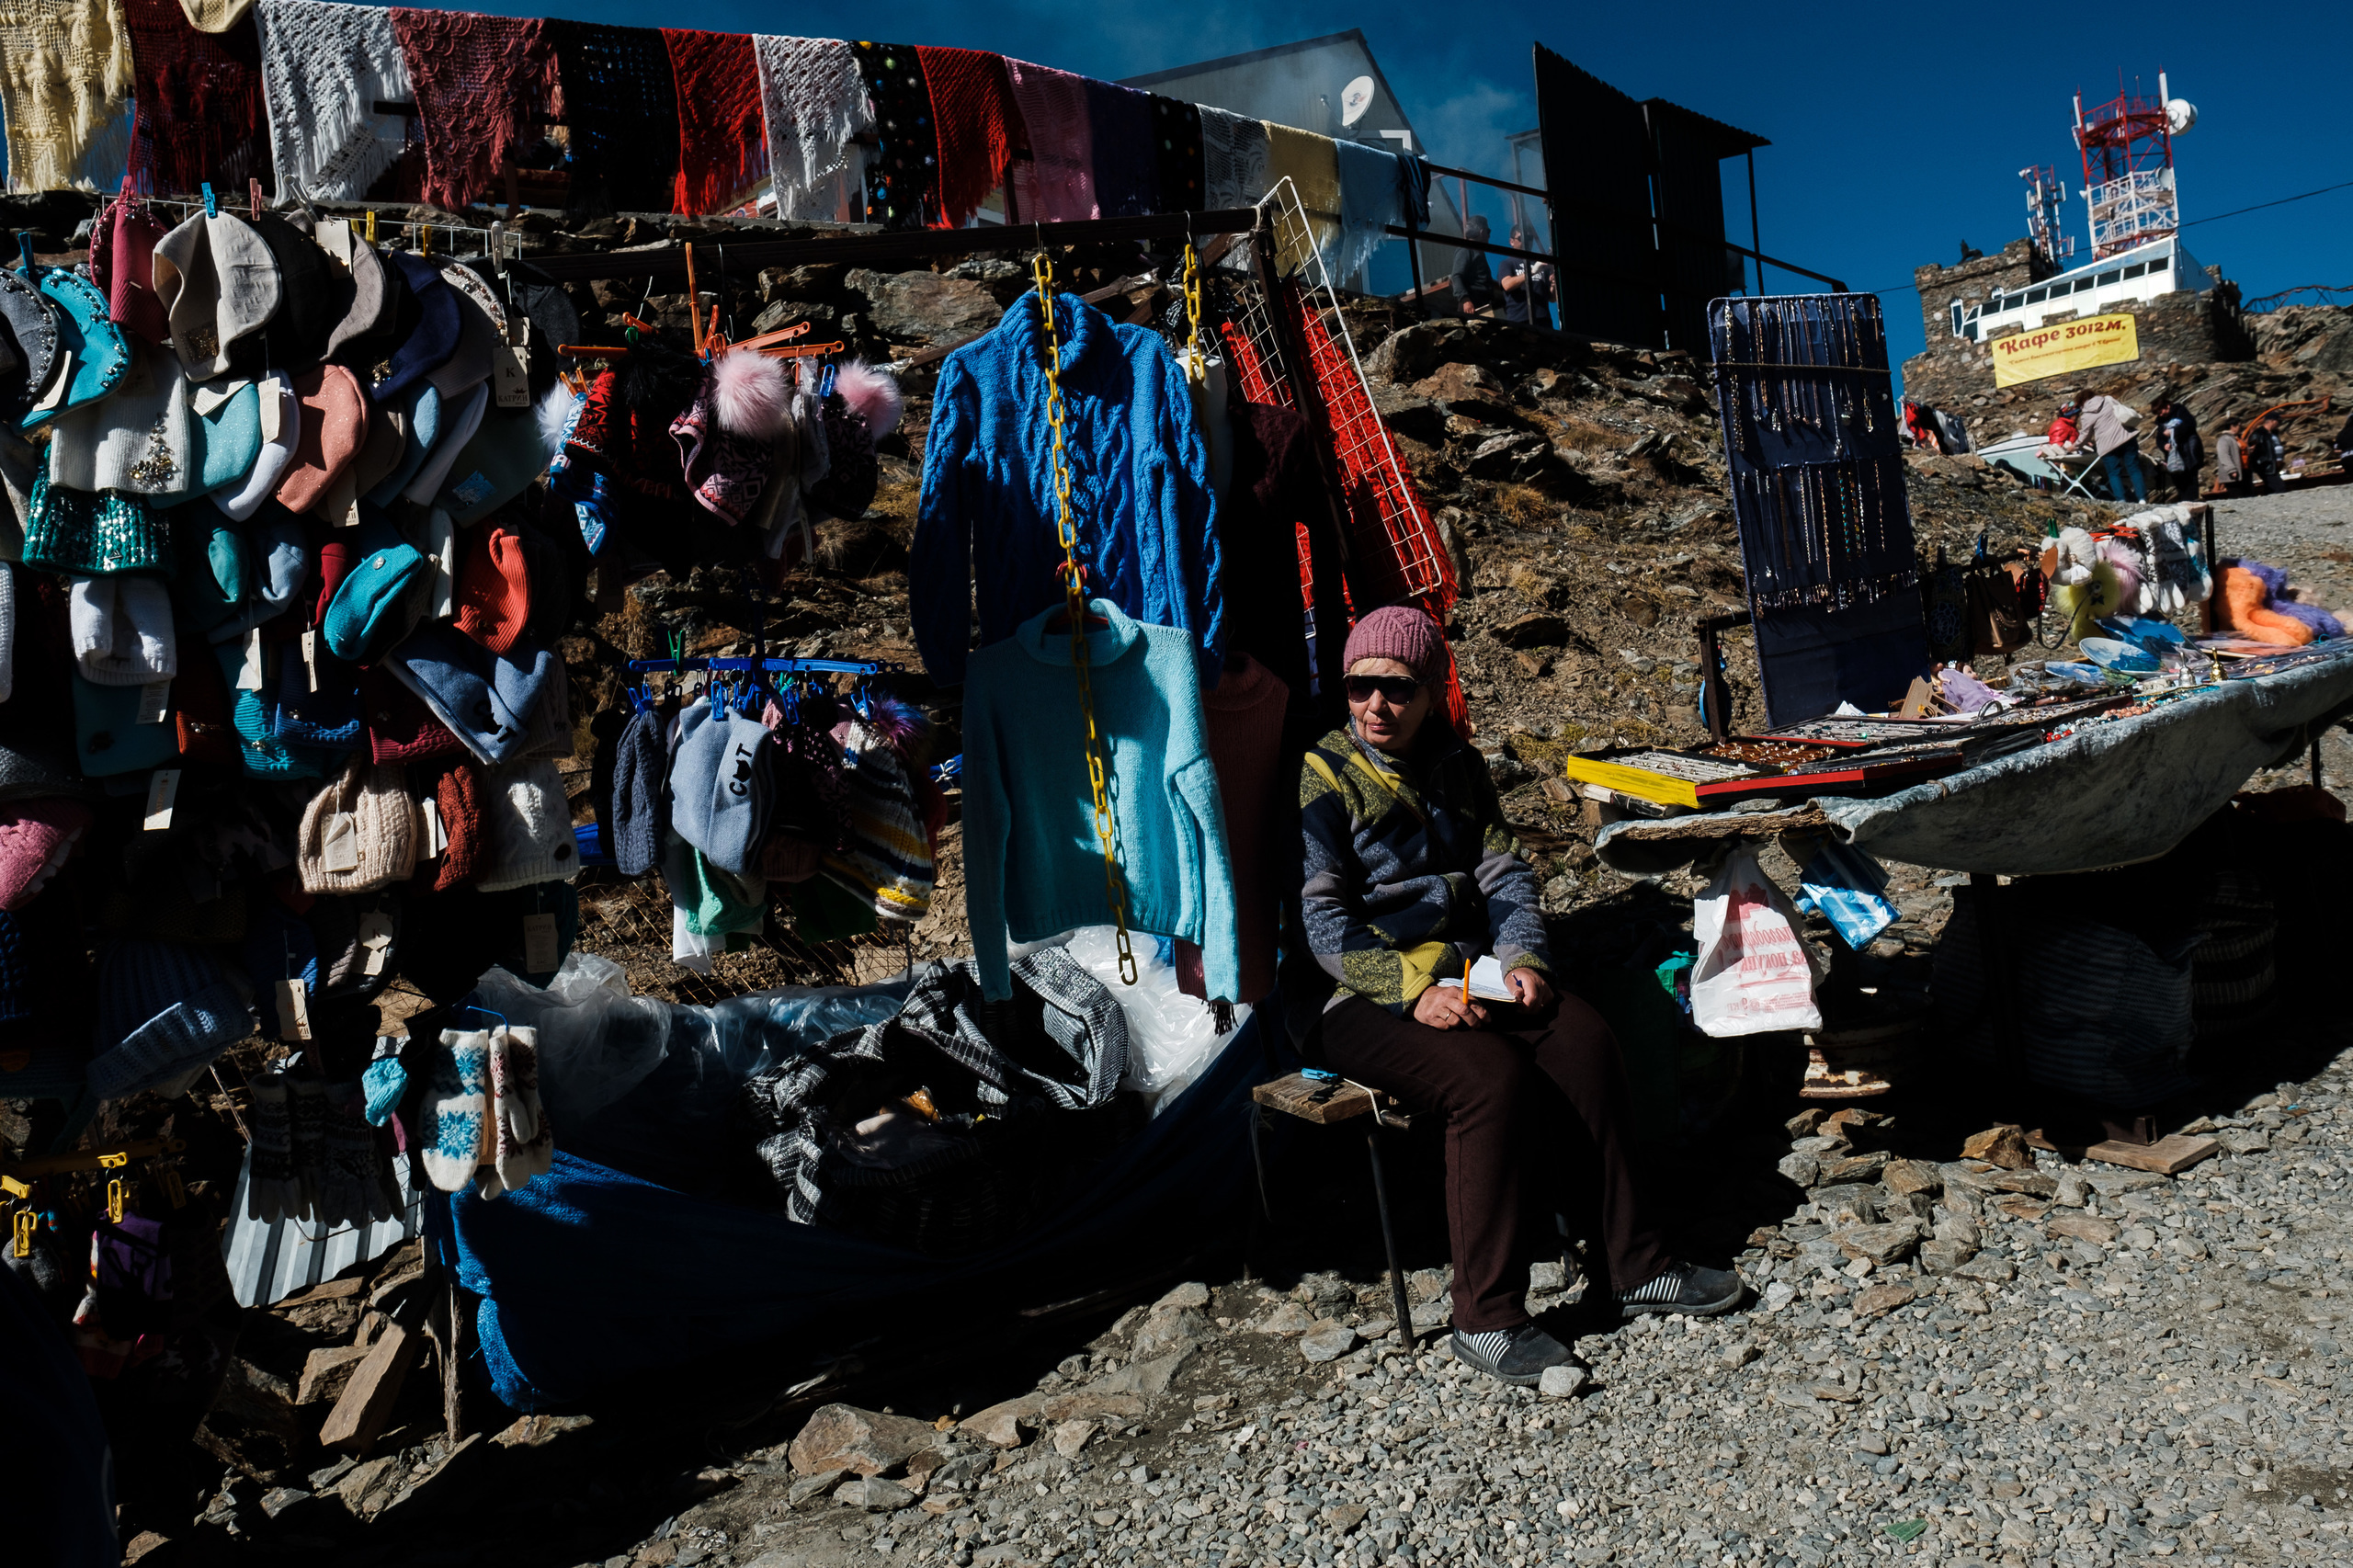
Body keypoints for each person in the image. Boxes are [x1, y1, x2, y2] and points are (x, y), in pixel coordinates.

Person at [1296, 606, 1740, 1388]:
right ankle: (1487, 1315)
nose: (1376, 706)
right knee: (1486, 1082)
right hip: (1362, 995)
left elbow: (1503, 873)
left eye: (1397, 689)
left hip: (1470, 970)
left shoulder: (1458, 766)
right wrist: (1411, 991)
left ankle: (1634, 1264)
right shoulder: (1324, 776)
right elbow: (1323, 921)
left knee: (1582, 1038)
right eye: (1360, 687)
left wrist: (1523, 955)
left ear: (1433, 692)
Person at [2074, 387, 2146, 505]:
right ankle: (2142, 499)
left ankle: (2121, 501)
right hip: (2126, 437)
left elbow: (2085, 435)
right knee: (2134, 469)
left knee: (2113, 473)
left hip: (2107, 446)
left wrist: (2075, 446)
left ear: (2082, 402)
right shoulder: (2108, 400)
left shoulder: (2086, 415)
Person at [1497, 224, 1553, 328]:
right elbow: (1507, 285)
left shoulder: (1540, 264)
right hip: (1519, 320)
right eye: (1521, 238)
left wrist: (1553, 285)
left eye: (1529, 238)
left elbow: (1552, 298)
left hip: (1543, 320)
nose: (1527, 241)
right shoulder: (1507, 263)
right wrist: (1532, 272)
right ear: (1512, 242)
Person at [1449, 215, 1504, 317]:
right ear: (1482, 232)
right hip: (1473, 307)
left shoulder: (1477, 252)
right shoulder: (1465, 249)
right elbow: (1456, 276)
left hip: (1482, 304)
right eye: (1488, 232)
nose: (1489, 236)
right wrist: (1465, 300)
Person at [2151, 395, 2202, 503]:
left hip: (2188, 453)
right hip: (2173, 457)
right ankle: (2183, 502)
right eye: (2158, 414)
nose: (2160, 415)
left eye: (2161, 412)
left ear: (2167, 406)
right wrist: (2164, 445)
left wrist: (2174, 432)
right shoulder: (2161, 421)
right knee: (2179, 481)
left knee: (2191, 480)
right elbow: (2159, 439)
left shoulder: (2180, 411)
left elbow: (2190, 425)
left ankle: (2193, 502)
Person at [2249, 416, 2288, 493]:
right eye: (2278, 421)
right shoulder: (2259, 433)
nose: (2279, 424)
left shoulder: (2273, 433)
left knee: (2270, 487)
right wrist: (2261, 463)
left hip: (2274, 465)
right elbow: (2253, 450)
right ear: (2272, 421)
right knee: (2279, 487)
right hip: (2266, 466)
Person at [2214, 422, 2247, 496]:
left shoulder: (2237, 438)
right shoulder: (2224, 439)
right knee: (2237, 495)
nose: (2241, 427)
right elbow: (2224, 455)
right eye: (2239, 425)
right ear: (2232, 426)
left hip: (2244, 471)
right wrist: (2231, 470)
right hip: (2234, 473)